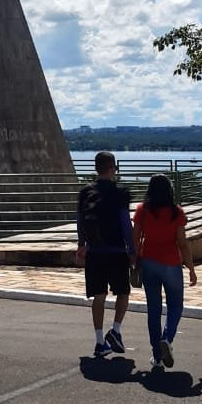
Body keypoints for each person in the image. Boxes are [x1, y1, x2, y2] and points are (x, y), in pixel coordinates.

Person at [132, 173, 197, 370]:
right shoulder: (176, 212)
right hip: (171, 263)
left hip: (149, 262)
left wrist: (134, 260)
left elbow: (135, 239)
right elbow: (183, 243)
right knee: (175, 306)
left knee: (154, 309)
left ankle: (157, 356)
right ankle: (167, 339)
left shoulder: (142, 210)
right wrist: (191, 268)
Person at [76, 151, 135, 357]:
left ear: (96, 168)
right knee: (123, 293)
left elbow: (80, 220)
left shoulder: (84, 192)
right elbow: (126, 224)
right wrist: (133, 250)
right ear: (112, 168)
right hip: (116, 251)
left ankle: (100, 341)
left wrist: (81, 243)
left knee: (98, 296)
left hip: (94, 252)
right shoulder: (120, 193)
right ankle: (116, 331)